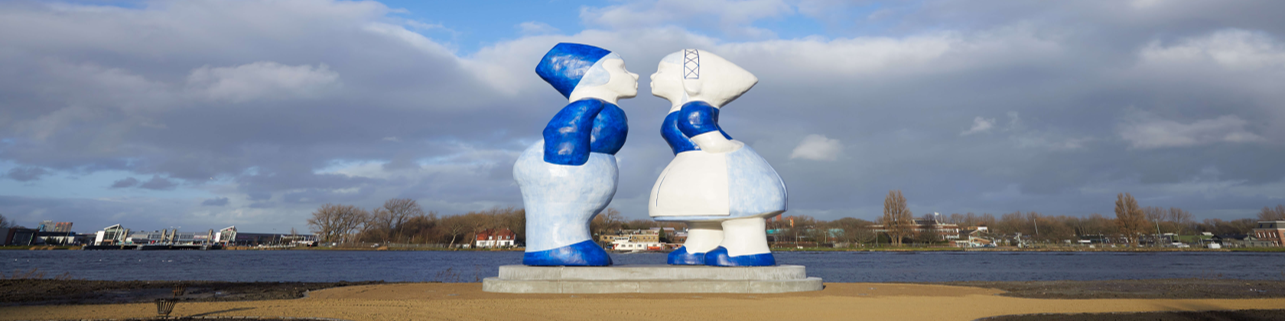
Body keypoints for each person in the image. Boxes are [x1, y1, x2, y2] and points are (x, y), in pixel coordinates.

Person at [648, 49, 787, 267]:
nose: (652, 76)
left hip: (723, 167)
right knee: (705, 209)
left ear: (690, 81)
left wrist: (723, 148)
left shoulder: (693, 110)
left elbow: (711, 141)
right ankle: (703, 242)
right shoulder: (684, 108)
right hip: (699, 164)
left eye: (662, 71)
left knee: (734, 210)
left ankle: (745, 247)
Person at [515, 43, 638, 266]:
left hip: (580, 166)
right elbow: (561, 135)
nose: (634, 75)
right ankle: (557, 245)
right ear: (596, 76)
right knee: (559, 212)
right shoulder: (586, 106)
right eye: (622, 68)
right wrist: (570, 165)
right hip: (567, 169)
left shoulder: (596, 106)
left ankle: (565, 241)